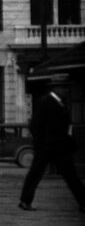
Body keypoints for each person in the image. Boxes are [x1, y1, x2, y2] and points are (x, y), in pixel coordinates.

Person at [18, 82, 85, 212]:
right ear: (55, 88)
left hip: (59, 147)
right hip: (45, 147)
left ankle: (83, 201)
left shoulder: (62, 102)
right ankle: (25, 201)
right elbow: (34, 126)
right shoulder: (45, 102)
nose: (66, 90)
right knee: (35, 174)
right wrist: (42, 142)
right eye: (63, 87)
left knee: (71, 175)